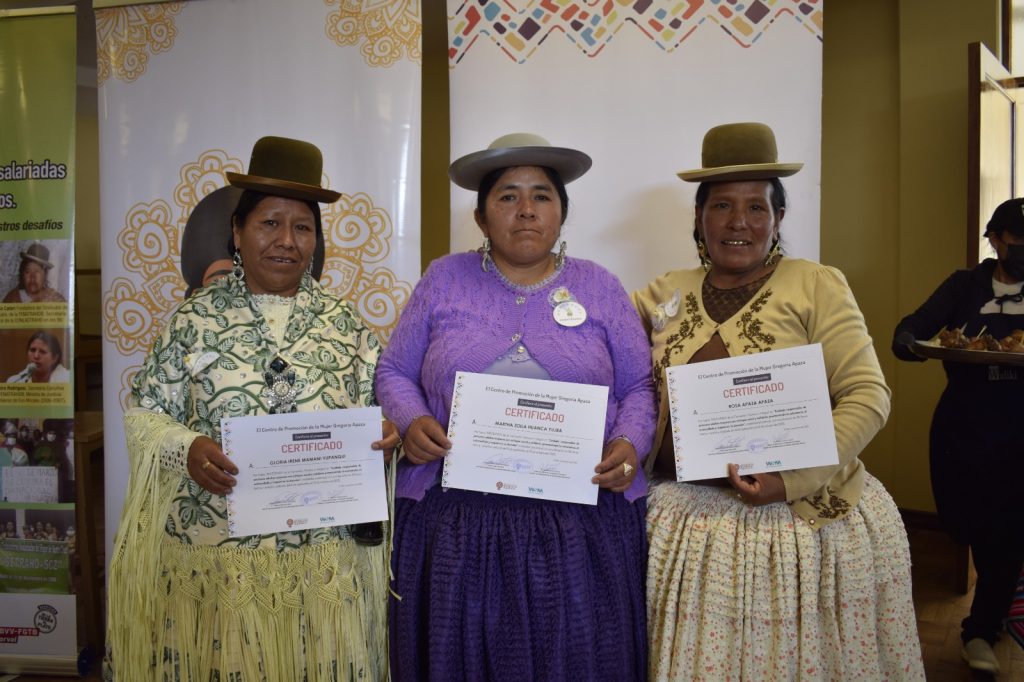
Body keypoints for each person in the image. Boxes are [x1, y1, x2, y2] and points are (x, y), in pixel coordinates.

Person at [634, 122, 924, 680]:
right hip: (684, 519)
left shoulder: (815, 284)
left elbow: (868, 395)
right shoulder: (665, 292)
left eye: (756, 207)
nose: (738, 222)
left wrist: (788, 479)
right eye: (721, 206)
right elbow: (590, 344)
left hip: (794, 520)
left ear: (779, 218)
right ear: (699, 218)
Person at [107, 136, 397, 681]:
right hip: (220, 555)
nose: (287, 241)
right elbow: (145, 412)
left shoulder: (346, 325)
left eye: (303, 227)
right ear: (237, 233)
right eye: (269, 224)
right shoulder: (193, 321)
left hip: (322, 562)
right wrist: (185, 447)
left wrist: (384, 434)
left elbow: (381, 412)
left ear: (316, 240)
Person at [376, 133, 656, 680]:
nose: (525, 209)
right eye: (507, 196)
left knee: (576, 659)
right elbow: (394, 371)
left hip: (578, 521)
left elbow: (641, 388)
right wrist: (412, 420)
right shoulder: (443, 280)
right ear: (481, 218)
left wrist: (628, 445)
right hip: (456, 523)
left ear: (562, 212)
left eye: (541, 195)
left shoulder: (599, 288)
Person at [892, 196, 1024, 674]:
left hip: (1021, 431)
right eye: (1018, 243)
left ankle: (982, 630)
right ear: (994, 239)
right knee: (969, 526)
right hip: (965, 428)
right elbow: (913, 328)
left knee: (1006, 536)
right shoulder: (965, 285)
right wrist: (908, 342)